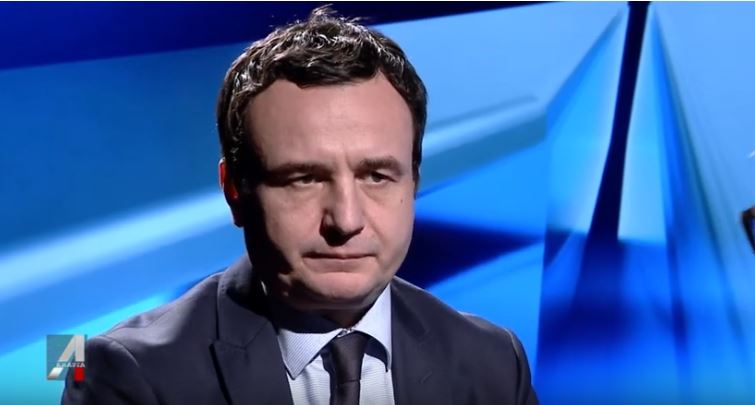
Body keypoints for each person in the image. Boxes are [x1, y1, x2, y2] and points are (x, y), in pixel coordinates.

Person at [62, 6, 538, 405]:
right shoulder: (130, 372)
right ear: (235, 190)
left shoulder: (494, 362)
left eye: (376, 176)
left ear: (414, 181)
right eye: (304, 179)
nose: (346, 220)